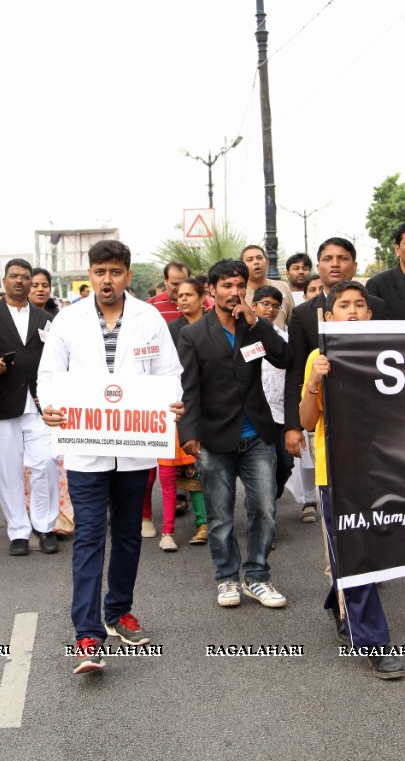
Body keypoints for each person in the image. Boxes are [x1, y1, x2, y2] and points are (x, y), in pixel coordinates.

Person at [38, 240, 184, 674]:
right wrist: (49, 404)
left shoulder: (149, 318)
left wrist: (172, 403)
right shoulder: (68, 319)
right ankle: (87, 633)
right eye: (100, 271)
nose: (107, 280)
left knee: (126, 537)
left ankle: (118, 610)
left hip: (135, 450)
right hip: (86, 450)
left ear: (127, 274)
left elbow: (169, 373)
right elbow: (49, 375)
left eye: (115, 272)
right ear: (90, 274)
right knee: (88, 538)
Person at [298, 281, 404, 680]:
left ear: (371, 314)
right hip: (338, 472)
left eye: (360, 304)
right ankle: (375, 641)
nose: (354, 311)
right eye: (344, 305)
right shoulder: (318, 356)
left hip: (383, 469)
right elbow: (309, 422)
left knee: (371, 551)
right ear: (329, 316)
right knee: (355, 552)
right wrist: (314, 383)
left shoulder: (389, 354)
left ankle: (337, 599)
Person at [179, 259, 290, 609]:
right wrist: (189, 432)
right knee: (220, 515)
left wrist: (257, 321)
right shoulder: (193, 334)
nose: (234, 292)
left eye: (239, 285)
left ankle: (257, 577)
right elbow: (189, 388)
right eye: (226, 285)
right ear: (211, 290)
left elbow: (285, 357)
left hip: (257, 432)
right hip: (214, 436)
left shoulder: (254, 326)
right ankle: (227, 578)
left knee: (264, 508)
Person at [0, 258, 60, 557]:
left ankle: (46, 527)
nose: (21, 282)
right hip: (1, 403)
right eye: (15, 277)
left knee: (46, 465)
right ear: (4, 280)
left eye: (26, 277)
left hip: (39, 404)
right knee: (8, 471)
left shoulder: (46, 317)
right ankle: (18, 532)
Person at [284, 239, 386, 475]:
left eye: (342, 258)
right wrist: (293, 425)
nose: (335, 264)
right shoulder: (302, 314)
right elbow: (296, 372)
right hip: (327, 427)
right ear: (318, 267)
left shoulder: (379, 306)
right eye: (328, 259)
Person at [252, 284, 301, 518]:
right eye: (265, 304)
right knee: (262, 469)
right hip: (255, 414)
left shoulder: (284, 338)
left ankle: (269, 498)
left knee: (285, 465)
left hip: (281, 411)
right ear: (254, 306)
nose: (270, 309)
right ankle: (263, 516)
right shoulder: (243, 335)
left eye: (275, 306)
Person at [168, 278, 209, 546]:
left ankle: (220, 520)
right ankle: (203, 523)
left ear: (202, 297)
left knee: (218, 469)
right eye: (179, 295)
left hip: (218, 405)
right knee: (193, 467)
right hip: (185, 403)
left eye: (188, 295)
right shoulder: (171, 329)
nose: (182, 299)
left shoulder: (216, 324)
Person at [240, 244, 294, 329]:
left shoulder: (283, 287)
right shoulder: (240, 293)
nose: (256, 262)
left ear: (268, 262)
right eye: (250, 260)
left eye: (259, 258)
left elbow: (293, 323)